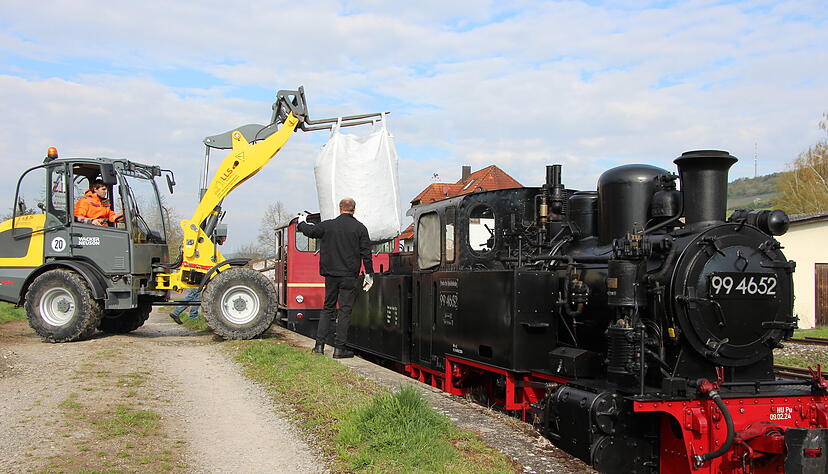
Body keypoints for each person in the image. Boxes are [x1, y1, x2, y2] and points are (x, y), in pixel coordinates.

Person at [297, 198, 373, 359]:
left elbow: (310, 232)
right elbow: (366, 254)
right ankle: (339, 349)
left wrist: (301, 222)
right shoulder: (360, 228)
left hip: (330, 275)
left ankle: (319, 346)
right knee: (344, 310)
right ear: (354, 209)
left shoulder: (328, 225)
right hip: (349, 276)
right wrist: (369, 274)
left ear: (340, 209)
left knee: (327, 308)